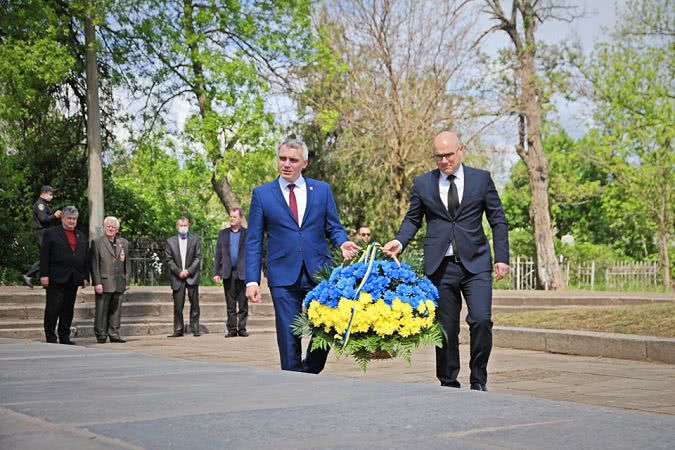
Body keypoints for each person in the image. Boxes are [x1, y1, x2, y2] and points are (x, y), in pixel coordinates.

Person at [383, 131, 510, 392]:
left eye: (448, 155)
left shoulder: (481, 179)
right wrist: (400, 241)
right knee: (446, 329)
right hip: (440, 267)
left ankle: (478, 379)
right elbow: (412, 220)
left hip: (476, 264)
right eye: (438, 156)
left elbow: (497, 219)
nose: (444, 161)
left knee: (481, 320)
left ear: (460, 150)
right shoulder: (423, 183)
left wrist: (502, 258)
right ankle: (448, 382)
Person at [245, 139, 360, 373]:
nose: (286, 164)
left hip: (319, 273)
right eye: (282, 158)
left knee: (327, 326)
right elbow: (254, 240)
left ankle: (310, 371)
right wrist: (252, 280)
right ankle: (292, 379)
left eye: (293, 160)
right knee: (289, 333)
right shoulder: (262, 194)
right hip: (283, 276)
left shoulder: (321, 191)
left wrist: (342, 241)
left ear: (304, 163)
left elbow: (333, 227)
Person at [39, 206, 88, 344]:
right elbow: (44, 255)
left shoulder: (81, 235)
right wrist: (44, 275)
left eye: (74, 219)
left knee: (68, 309)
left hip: (74, 278)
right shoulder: (51, 233)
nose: (72, 221)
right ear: (63, 218)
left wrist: (85, 277)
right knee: (53, 308)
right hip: (55, 277)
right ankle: (51, 337)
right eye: (69, 218)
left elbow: (85, 258)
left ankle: (64, 336)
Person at [90, 216, 130, 344]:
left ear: (117, 229)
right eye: (108, 226)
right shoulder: (97, 243)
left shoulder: (123, 242)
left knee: (116, 309)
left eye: (113, 227)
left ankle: (114, 333)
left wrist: (126, 280)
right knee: (102, 309)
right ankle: (101, 334)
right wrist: (97, 282)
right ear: (104, 227)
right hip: (104, 282)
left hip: (119, 281)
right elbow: (94, 264)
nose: (111, 228)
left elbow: (127, 264)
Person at [213, 208, 248, 338]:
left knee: (243, 302)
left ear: (240, 219)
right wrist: (216, 272)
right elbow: (218, 255)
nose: (232, 219)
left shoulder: (247, 233)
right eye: (230, 216)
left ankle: (242, 328)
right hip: (228, 272)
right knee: (230, 303)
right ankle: (232, 329)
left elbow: (252, 254)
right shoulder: (223, 234)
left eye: (234, 217)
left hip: (243, 273)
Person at [165, 217, 202, 337]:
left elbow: (198, 257)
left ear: (189, 226)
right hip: (177, 277)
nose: (183, 227)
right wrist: (179, 271)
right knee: (178, 305)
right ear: (177, 227)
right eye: (181, 225)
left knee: (195, 304)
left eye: (185, 225)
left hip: (192, 276)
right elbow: (169, 259)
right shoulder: (170, 241)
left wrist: (189, 271)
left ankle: (195, 328)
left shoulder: (195, 240)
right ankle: (178, 329)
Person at [23, 185, 62, 287]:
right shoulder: (40, 205)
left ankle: (43, 280)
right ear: (43, 193)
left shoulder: (44, 204)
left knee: (48, 255)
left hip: (44, 232)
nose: (52, 196)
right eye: (50, 194)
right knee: (48, 255)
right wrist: (55, 216)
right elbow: (43, 219)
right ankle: (30, 275)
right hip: (42, 232)